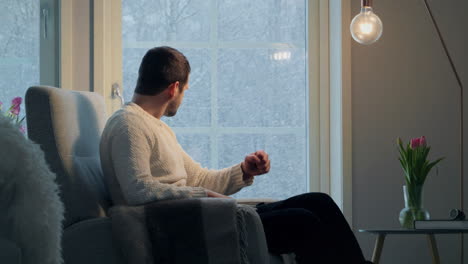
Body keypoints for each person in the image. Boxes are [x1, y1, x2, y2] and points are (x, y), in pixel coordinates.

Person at [100, 46, 371, 264]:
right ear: (173, 88)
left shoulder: (156, 127)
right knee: (303, 222)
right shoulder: (129, 124)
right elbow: (138, 190)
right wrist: (203, 196)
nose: (183, 97)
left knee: (318, 201)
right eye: (185, 90)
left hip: (204, 213)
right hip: (189, 224)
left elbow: (198, 177)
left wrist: (244, 170)